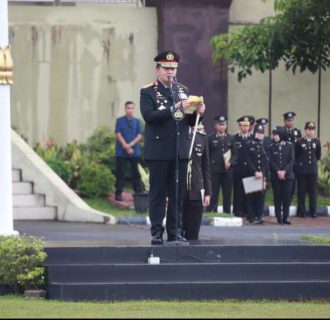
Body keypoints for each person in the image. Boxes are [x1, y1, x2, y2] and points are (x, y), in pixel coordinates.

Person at [140, 50, 205, 245]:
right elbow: (149, 116)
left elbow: (190, 122)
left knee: (178, 194)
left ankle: (175, 232)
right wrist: (173, 108)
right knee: (158, 194)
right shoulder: (148, 91)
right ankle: (157, 232)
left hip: (179, 150)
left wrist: (200, 112)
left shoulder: (182, 90)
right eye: (167, 68)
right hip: (159, 151)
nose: (171, 72)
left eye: (174, 68)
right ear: (158, 69)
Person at [182, 123, 211, 240]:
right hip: (180, 187)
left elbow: (206, 167)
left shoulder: (202, 138)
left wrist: (208, 192)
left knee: (193, 232)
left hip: (196, 188)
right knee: (178, 231)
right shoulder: (178, 136)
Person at [207, 115, 237, 214]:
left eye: (223, 125)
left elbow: (235, 154)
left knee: (227, 193)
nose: (222, 127)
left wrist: (231, 162)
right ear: (216, 125)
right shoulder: (210, 138)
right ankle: (212, 210)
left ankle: (227, 212)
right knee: (214, 192)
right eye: (220, 125)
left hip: (227, 170)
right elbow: (207, 154)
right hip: (214, 170)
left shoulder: (230, 138)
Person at [114, 101, 143, 201]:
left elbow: (139, 135)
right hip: (121, 152)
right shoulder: (119, 120)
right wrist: (125, 146)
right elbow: (118, 134)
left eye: (131, 108)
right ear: (125, 109)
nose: (130, 110)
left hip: (134, 152)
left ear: (133, 109)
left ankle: (139, 193)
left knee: (136, 173)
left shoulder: (137, 122)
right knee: (120, 173)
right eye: (128, 108)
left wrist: (130, 145)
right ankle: (118, 194)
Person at [295, 121, 321, 218]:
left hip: (312, 171)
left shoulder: (317, 141)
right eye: (309, 129)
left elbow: (318, 155)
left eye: (312, 129)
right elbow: (296, 156)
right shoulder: (300, 141)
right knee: (301, 192)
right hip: (302, 171)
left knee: (313, 193)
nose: (310, 131)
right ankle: (301, 211)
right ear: (305, 130)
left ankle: (313, 211)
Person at [269, 127, 295, 224]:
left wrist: (284, 171)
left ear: (281, 135)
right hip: (276, 176)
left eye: (276, 135)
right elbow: (271, 161)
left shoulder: (289, 146)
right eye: (274, 135)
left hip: (288, 176)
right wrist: (278, 171)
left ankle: (285, 217)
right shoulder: (271, 147)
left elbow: (291, 160)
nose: (274, 137)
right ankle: (278, 217)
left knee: (286, 197)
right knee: (277, 197)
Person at [245, 124, 269, 224]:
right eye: (258, 133)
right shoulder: (249, 144)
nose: (259, 135)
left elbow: (267, 161)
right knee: (251, 197)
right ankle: (251, 217)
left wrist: (262, 172)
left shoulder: (264, 145)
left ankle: (259, 216)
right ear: (254, 133)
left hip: (261, 174)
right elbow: (247, 160)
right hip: (251, 173)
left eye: (261, 133)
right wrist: (255, 171)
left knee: (260, 197)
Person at [232, 116, 252, 218]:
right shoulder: (235, 138)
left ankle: (248, 211)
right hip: (238, 169)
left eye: (247, 126)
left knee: (249, 191)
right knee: (238, 191)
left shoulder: (252, 138)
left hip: (249, 169)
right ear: (240, 126)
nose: (245, 128)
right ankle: (237, 211)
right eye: (243, 126)